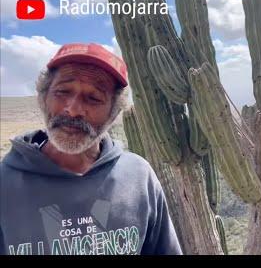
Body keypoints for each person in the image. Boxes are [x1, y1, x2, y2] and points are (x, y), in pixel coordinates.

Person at [0, 43, 182, 255]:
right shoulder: (5, 183)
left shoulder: (138, 176)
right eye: (62, 92)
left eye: (93, 98)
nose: (73, 109)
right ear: (43, 98)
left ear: (113, 113)